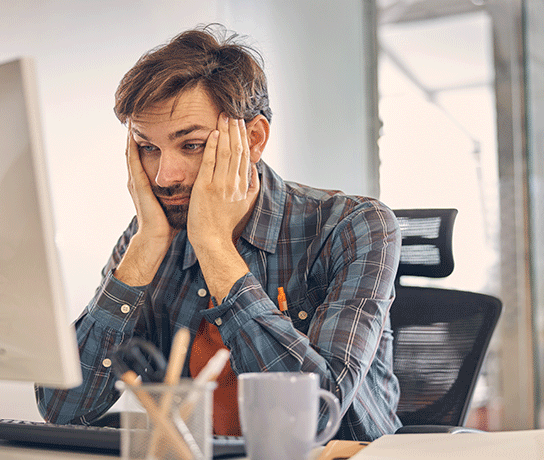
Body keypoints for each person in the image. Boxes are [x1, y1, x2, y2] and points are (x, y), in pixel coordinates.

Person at [36, 24, 402, 441]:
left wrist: (213, 245)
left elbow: (311, 421)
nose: (163, 176)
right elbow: (61, 408)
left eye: (190, 145)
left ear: (254, 138)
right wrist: (144, 249)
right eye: (147, 147)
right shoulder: (150, 236)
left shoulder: (354, 225)